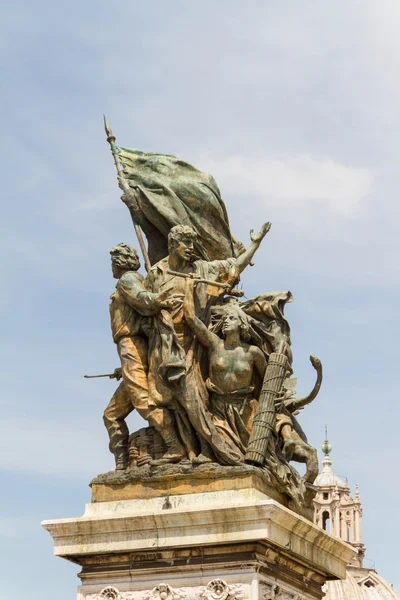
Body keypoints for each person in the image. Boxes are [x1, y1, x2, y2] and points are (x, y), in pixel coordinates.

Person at [103, 243, 185, 470]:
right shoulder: (133, 279)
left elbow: (142, 298)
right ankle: (122, 462)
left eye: (113, 261)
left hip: (130, 346)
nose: (111, 266)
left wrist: (159, 300)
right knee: (111, 414)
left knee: (143, 400)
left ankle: (175, 445)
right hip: (132, 350)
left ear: (119, 262)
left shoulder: (127, 280)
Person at [183, 279, 267, 454]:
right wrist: (188, 286)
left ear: (242, 323)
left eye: (232, 318)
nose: (226, 321)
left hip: (245, 410)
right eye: (225, 318)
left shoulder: (253, 353)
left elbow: (266, 384)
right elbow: (191, 318)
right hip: (218, 409)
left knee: (250, 454)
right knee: (223, 450)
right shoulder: (215, 344)